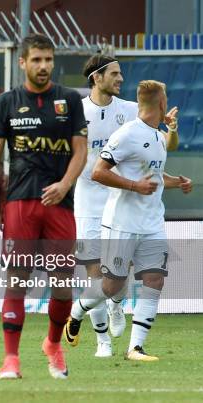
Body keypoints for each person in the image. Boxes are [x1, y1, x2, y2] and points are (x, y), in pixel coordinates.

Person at [0, 33, 88, 379]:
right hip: (20, 204)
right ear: (23, 62)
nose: (44, 66)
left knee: (62, 285)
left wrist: (65, 184)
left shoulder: (70, 101)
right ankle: (10, 359)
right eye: (37, 60)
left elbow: (80, 151)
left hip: (60, 205)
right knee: (17, 281)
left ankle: (53, 345)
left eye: (48, 59)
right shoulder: (7, 102)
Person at [65, 80, 192, 362]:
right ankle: (77, 311)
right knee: (112, 286)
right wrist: (135, 186)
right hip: (121, 223)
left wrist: (176, 181)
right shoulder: (126, 135)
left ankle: (135, 347)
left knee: (154, 279)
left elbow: (156, 173)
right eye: (166, 98)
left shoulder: (157, 135)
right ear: (161, 103)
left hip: (152, 222)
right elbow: (98, 172)